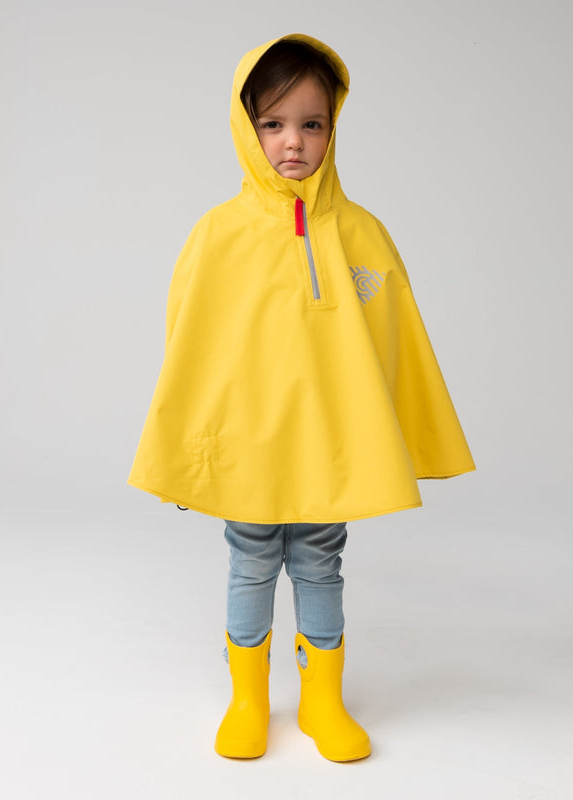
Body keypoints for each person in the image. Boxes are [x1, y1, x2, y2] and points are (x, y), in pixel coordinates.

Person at [128, 34, 475, 762]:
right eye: (274, 124)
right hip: (251, 440)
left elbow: (393, 343)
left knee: (320, 561)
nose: (294, 142)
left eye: (312, 123)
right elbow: (189, 346)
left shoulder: (360, 233)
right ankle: (248, 699)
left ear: (333, 127)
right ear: (246, 129)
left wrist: (387, 430)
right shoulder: (218, 234)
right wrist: (193, 441)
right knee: (251, 560)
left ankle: (322, 700)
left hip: (328, 441)